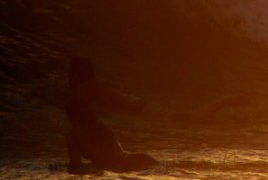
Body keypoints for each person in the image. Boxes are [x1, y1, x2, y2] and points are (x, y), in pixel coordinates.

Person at [64, 57, 248, 173]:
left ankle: (223, 102)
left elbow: (76, 167)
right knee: (189, 119)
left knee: (192, 118)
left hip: (131, 142)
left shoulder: (81, 112)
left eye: (71, 74)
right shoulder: (103, 129)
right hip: (137, 154)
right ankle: (223, 104)